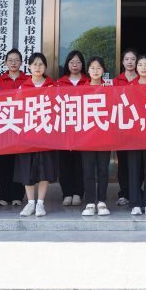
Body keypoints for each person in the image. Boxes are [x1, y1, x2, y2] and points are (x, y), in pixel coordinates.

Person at [16, 52, 57, 217]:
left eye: (41, 64)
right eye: (34, 64)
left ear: (45, 67)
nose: (38, 67)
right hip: (28, 135)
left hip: (46, 134)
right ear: (29, 67)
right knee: (27, 168)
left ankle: (40, 203)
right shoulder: (23, 87)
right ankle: (30, 202)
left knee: (44, 169)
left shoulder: (52, 86)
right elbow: (18, 109)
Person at [0, 49, 26, 208]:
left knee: (20, 162)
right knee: (4, 162)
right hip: (3, 125)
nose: (13, 62)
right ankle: (3, 196)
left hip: (22, 125)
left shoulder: (27, 80)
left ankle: (18, 195)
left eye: (16, 60)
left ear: (21, 63)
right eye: (10, 60)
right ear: (5, 62)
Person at [80, 56, 113, 217]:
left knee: (102, 170)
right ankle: (89, 202)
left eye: (98, 68)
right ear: (87, 70)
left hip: (104, 137)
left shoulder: (109, 89)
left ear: (103, 70)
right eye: (92, 68)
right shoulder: (81, 89)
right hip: (86, 138)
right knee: (88, 171)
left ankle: (101, 201)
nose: (95, 71)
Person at [56, 50, 88, 206]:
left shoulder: (88, 82)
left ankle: (78, 193)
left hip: (84, 129)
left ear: (83, 65)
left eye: (78, 62)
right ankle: (66, 193)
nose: (75, 65)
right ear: (67, 64)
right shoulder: (59, 83)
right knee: (65, 163)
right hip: (64, 129)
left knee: (80, 163)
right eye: (72, 62)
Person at [128, 54, 146, 215]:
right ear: (136, 68)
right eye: (140, 65)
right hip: (134, 135)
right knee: (134, 169)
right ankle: (135, 203)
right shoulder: (129, 87)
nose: (143, 67)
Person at [113, 48, 138, 207]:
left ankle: (136, 191)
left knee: (138, 164)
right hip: (121, 129)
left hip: (140, 129)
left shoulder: (144, 80)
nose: (129, 62)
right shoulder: (116, 81)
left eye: (133, 59)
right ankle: (124, 193)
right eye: (127, 59)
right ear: (122, 62)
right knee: (122, 163)